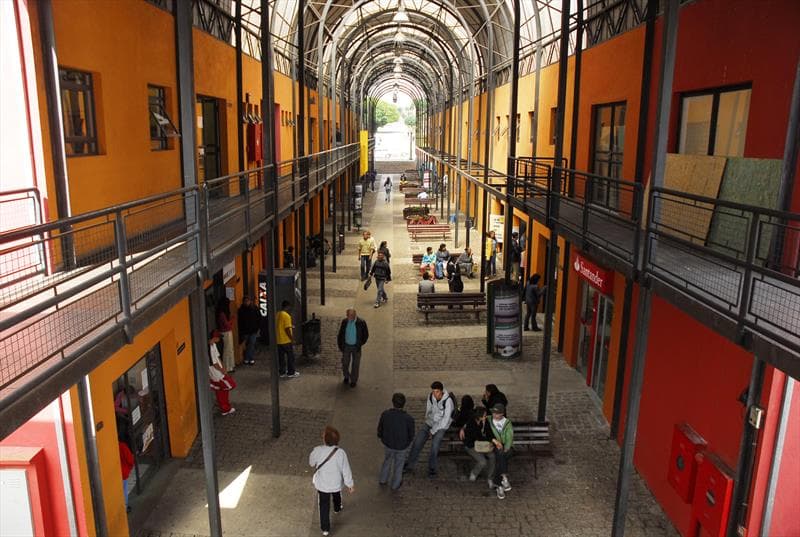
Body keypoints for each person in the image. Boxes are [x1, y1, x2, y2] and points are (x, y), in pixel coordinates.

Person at [309, 426, 354, 537]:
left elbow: (311, 463)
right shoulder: (341, 453)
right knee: (336, 494)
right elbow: (346, 469)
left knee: (324, 505)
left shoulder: (317, 450)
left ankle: (325, 529)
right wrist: (350, 484)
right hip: (336, 483)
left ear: (325, 439)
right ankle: (337, 508)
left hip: (323, 484)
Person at [405, 381, 455, 478]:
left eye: (436, 392)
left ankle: (432, 469)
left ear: (441, 391)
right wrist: (429, 421)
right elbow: (428, 412)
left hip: (441, 426)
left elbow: (445, 421)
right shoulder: (431, 397)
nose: (434, 394)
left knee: (435, 446)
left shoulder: (448, 402)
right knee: (417, 442)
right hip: (430, 422)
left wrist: (433, 431)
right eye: (433, 392)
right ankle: (409, 465)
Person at [377, 393, 415, 490]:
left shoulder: (385, 414)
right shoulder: (408, 419)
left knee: (387, 460)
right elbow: (411, 434)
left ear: (393, 402)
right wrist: (407, 442)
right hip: (402, 446)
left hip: (388, 443)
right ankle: (395, 485)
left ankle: (383, 479)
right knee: (399, 465)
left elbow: (380, 428)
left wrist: (381, 437)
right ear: (404, 404)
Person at [459, 407, 496, 485]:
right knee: (483, 461)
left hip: (482, 445)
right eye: (484, 415)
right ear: (479, 416)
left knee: (492, 456)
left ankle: (490, 477)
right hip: (471, 446)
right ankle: (474, 473)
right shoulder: (471, 423)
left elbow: (490, 434)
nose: (486, 417)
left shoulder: (485, 422)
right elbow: (475, 438)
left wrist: (491, 442)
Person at [336, 309, 369, 387]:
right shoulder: (345, 321)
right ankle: (346, 376)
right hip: (346, 346)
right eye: (347, 315)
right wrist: (341, 346)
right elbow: (340, 334)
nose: (348, 317)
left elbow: (366, 335)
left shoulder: (361, 323)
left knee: (355, 364)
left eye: (350, 316)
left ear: (354, 315)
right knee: (345, 363)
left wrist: (360, 344)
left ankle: (353, 380)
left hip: (356, 347)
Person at [489, 403, 514, 499]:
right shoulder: (488, 419)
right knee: (500, 454)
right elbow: (475, 420)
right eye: (493, 413)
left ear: (502, 414)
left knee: (500, 457)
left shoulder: (507, 423)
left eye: (497, 413)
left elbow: (509, 437)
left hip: (507, 447)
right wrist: (464, 427)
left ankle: (499, 485)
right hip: (495, 445)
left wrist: (506, 448)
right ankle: (503, 478)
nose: (494, 415)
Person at [208, 331, 237, 415]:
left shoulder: (213, 345)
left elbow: (217, 357)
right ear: (215, 338)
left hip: (218, 372)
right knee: (229, 385)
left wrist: (223, 367)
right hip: (217, 373)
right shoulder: (209, 347)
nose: (219, 339)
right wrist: (222, 370)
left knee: (222, 390)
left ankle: (225, 408)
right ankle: (212, 386)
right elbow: (214, 363)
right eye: (218, 338)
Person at [276, 300, 299, 378]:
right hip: (286, 340)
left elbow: (280, 325)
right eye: (289, 307)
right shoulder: (286, 316)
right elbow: (286, 329)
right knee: (290, 357)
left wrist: (290, 326)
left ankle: (282, 372)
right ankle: (291, 372)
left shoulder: (278, 314)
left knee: (281, 357)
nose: (290, 308)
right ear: (287, 306)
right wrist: (292, 339)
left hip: (278, 340)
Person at [237, 295, 260, 365]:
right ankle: (249, 358)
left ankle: (248, 358)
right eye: (245, 301)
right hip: (245, 330)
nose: (246, 302)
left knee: (251, 344)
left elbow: (259, 318)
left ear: (250, 301)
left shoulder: (255, 308)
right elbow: (240, 321)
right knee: (248, 344)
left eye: (248, 301)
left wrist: (258, 328)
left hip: (253, 330)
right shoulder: (241, 310)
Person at [216, 297, 236, 373]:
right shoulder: (222, 314)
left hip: (224, 332)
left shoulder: (220, 313)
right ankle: (227, 367)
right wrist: (232, 320)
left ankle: (230, 366)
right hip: (226, 332)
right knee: (228, 349)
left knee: (228, 349)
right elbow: (227, 325)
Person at [119, 431, 134, 513]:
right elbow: (130, 459)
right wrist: (130, 467)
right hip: (123, 473)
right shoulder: (122, 446)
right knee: (124, 489)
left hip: (115, 474)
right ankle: (125, 506)